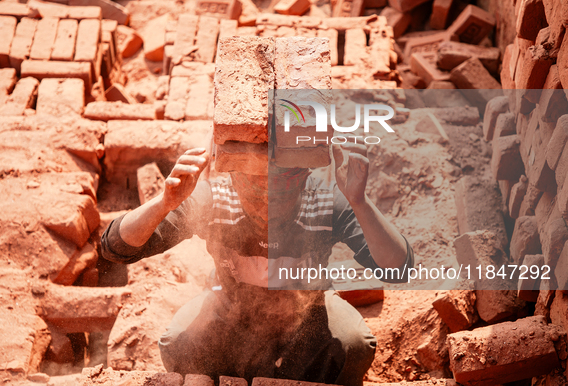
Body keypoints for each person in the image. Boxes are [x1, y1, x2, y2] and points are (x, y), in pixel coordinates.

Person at [101, 144, 414, 386]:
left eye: (282, 186)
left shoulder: (325, 199)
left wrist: (359, 202)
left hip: (309, 312)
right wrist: (165, 203)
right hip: (230, 309)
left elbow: (399, 269)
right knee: (178, 343)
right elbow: (115, 247)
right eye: (254, 185)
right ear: (233, 175)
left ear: (304, 175)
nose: (267, 202)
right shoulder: (213, 199)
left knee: (353, 345)